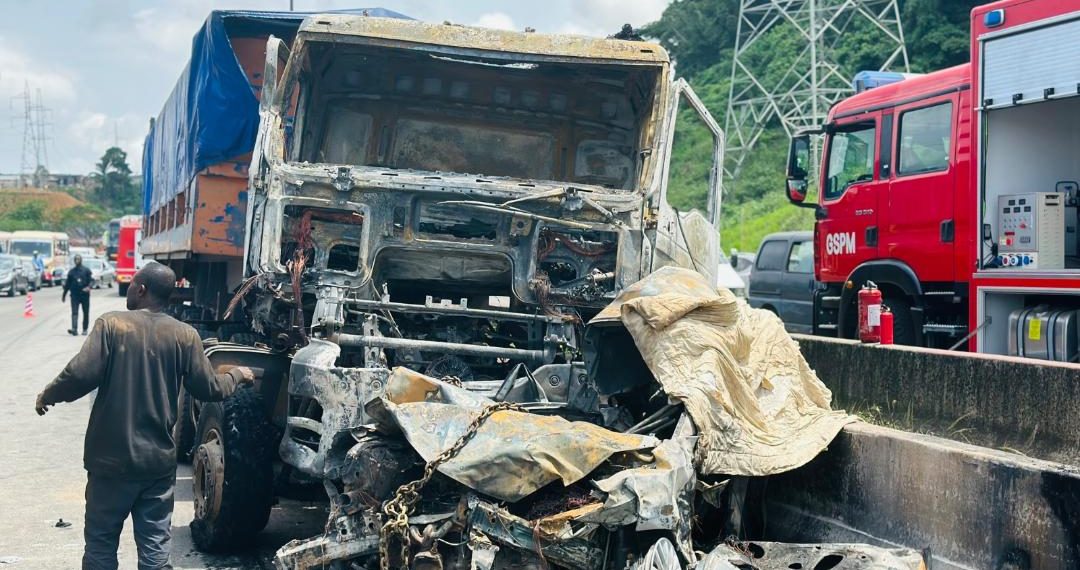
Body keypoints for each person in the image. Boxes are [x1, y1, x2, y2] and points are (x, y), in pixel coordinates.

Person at [35, 262, 254, 570]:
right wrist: (235, 375)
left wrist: (49, 395)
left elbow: (79, 374)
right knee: (154, 552)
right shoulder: (185, 335)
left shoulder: (111, 325)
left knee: (100, 544)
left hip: (109, 462)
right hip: (156, 466)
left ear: (140, 289)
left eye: (133, 283)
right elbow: (209, 389)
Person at [63, 254, 94, 336]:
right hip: (74, 295)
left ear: (81, 260)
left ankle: (85, 329)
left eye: (78, 259)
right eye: (75, 259)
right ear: (74, 261)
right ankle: (74, 329)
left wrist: (89, 287)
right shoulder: (71, 272)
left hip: (85, 295)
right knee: (74, 312)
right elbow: (67, 284)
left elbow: (91, 281)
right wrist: (64, 295)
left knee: (86, 312)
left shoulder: (86, 270)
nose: (77, 260)